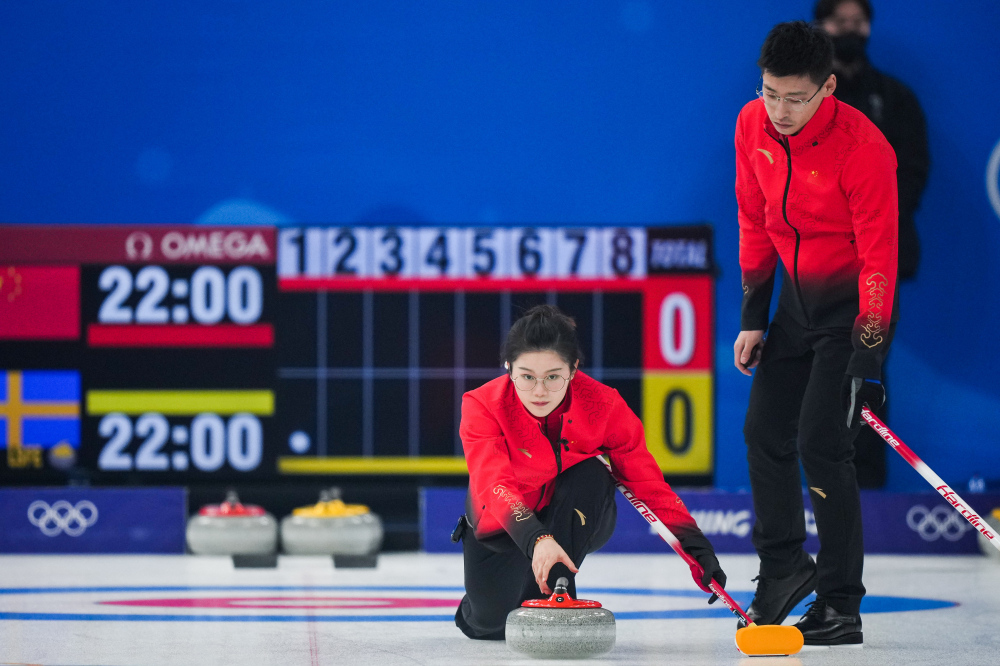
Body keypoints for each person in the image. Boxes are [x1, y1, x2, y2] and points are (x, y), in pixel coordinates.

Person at [733, 21, 898, 646]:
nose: (779, 111)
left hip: (851, 315)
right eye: (770, 92)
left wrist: (869, 357)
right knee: (762, 433)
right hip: (794, 312)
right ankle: (782, 568)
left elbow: (880, 261)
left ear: (828, 88)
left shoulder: (864, 148)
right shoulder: (754, 124)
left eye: (795, 98)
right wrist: (755, 315)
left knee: (821, 445)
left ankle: (840, 604)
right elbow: (753, 217)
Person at [454, 304, 726, 640]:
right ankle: (496, 599)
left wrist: (696, 546)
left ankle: (559, 593)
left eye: (553, 376)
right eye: (527, 376)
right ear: (508, 368)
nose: (539, 391)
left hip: (573, 513)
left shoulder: (603, 405)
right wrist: (538, 539)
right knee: (491, 626)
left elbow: (647, 483)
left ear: (574, 368)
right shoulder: (482, 405)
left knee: (594, 471)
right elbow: (494, 484)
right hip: (503, 525)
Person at [815, 0, 930, 488]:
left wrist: (869, 219)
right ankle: (828, 490)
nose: (849, 30)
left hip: (879, 262)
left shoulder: (893, 98)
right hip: (818, 267)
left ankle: (868, 493)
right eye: (839, 22)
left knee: (867, 370)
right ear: (820, 27)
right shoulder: (804, 101)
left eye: (858, 22)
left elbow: (914, 175)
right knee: (822, 381)